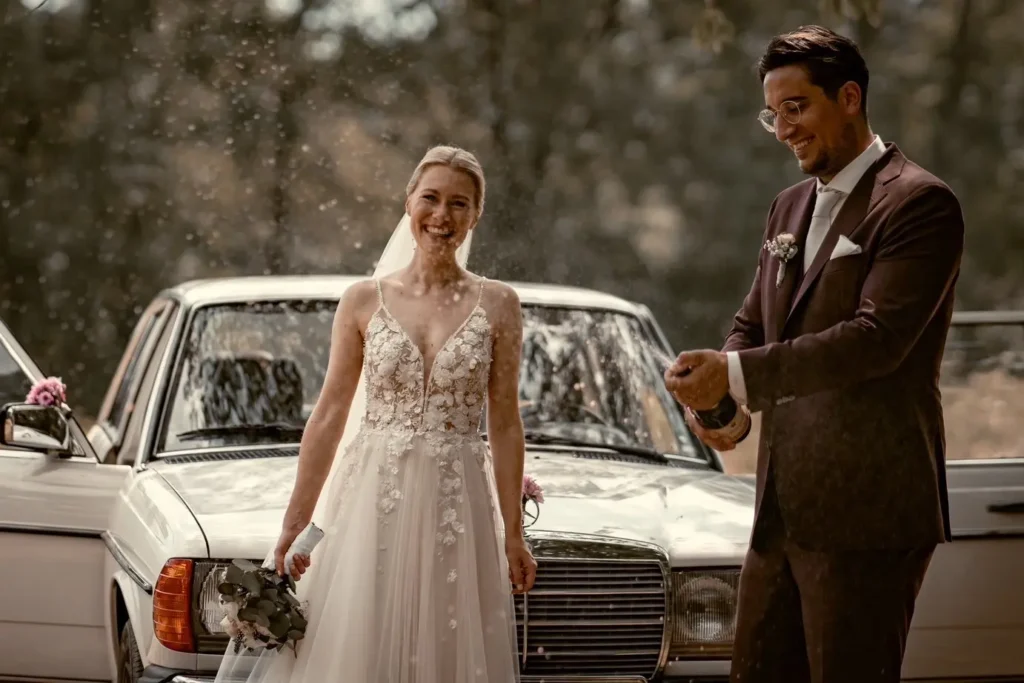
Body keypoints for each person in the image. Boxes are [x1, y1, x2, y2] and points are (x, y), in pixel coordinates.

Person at [664, 26, 964, 683]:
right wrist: (719, 396)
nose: (782, 130)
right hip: (780, 511)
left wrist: (739, 375)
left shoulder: (919, 202)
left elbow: (875, 340)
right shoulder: (787, 207)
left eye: (796, 109)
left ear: (850, 97)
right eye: (773, 114)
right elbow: (752, 323)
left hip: (869, 514)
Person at [216, 145, 535, 683]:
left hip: (456, 503)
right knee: (357, 644)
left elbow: (504, 423)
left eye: (459, 204)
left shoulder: (499, 304)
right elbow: (329, 416)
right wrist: (294, 525)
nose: (442, 215)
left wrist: (512, 533)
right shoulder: (363, 300)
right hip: (368, 500)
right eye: (430, 198)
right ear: (408, 202)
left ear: (476, 215)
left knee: (446, 645)